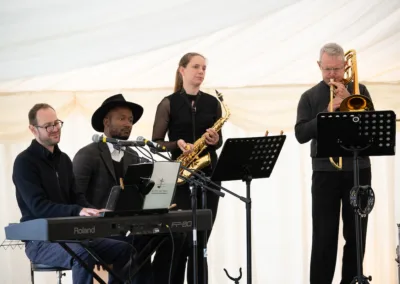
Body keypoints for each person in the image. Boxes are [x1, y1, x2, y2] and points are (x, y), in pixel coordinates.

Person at [13, 103, 136, 284]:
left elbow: (76, 196)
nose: (55, 129)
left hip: (72, 237)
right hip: (39, 242)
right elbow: (38, 207)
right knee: (82, 257)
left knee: (126, 250)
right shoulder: (24, 162)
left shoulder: (64, 160)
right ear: (33, 129)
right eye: (48, 126)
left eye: (57, 123)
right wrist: (77, 211)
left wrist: (93, 210)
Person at [294, 42, 373, 284]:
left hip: (358, 170)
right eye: (327, 69)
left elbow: (373, 128)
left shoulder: (360, 91)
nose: (332, 75)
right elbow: (300, 134)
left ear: (346, 66)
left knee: (357, 236)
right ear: (319, 66)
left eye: (337, 69)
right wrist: (327, 113)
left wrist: (350, 99)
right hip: (324, 174)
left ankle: (351, 281)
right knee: (324, 237)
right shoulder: (309, 97)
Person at [151, 52, 223, 284]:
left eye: (204, 67)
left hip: (208, 176)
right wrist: (177, 144)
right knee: (179, 240)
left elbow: (220, 140)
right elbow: (156, 143)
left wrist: (214, 140)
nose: (201, 71)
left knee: (201, 242)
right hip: (179, 177)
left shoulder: (213, 103)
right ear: (182, 70)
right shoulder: (168, 103)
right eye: (196, 67)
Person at [72, 94, 155, 284]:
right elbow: (76, 199)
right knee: (134, 249)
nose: (128, 124)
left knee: (157, 239)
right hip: (96, 231)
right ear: (106, 122)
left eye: (131, 120)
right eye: (122, 118)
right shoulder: (88, 154)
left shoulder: (133, 155)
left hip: (124, 229)